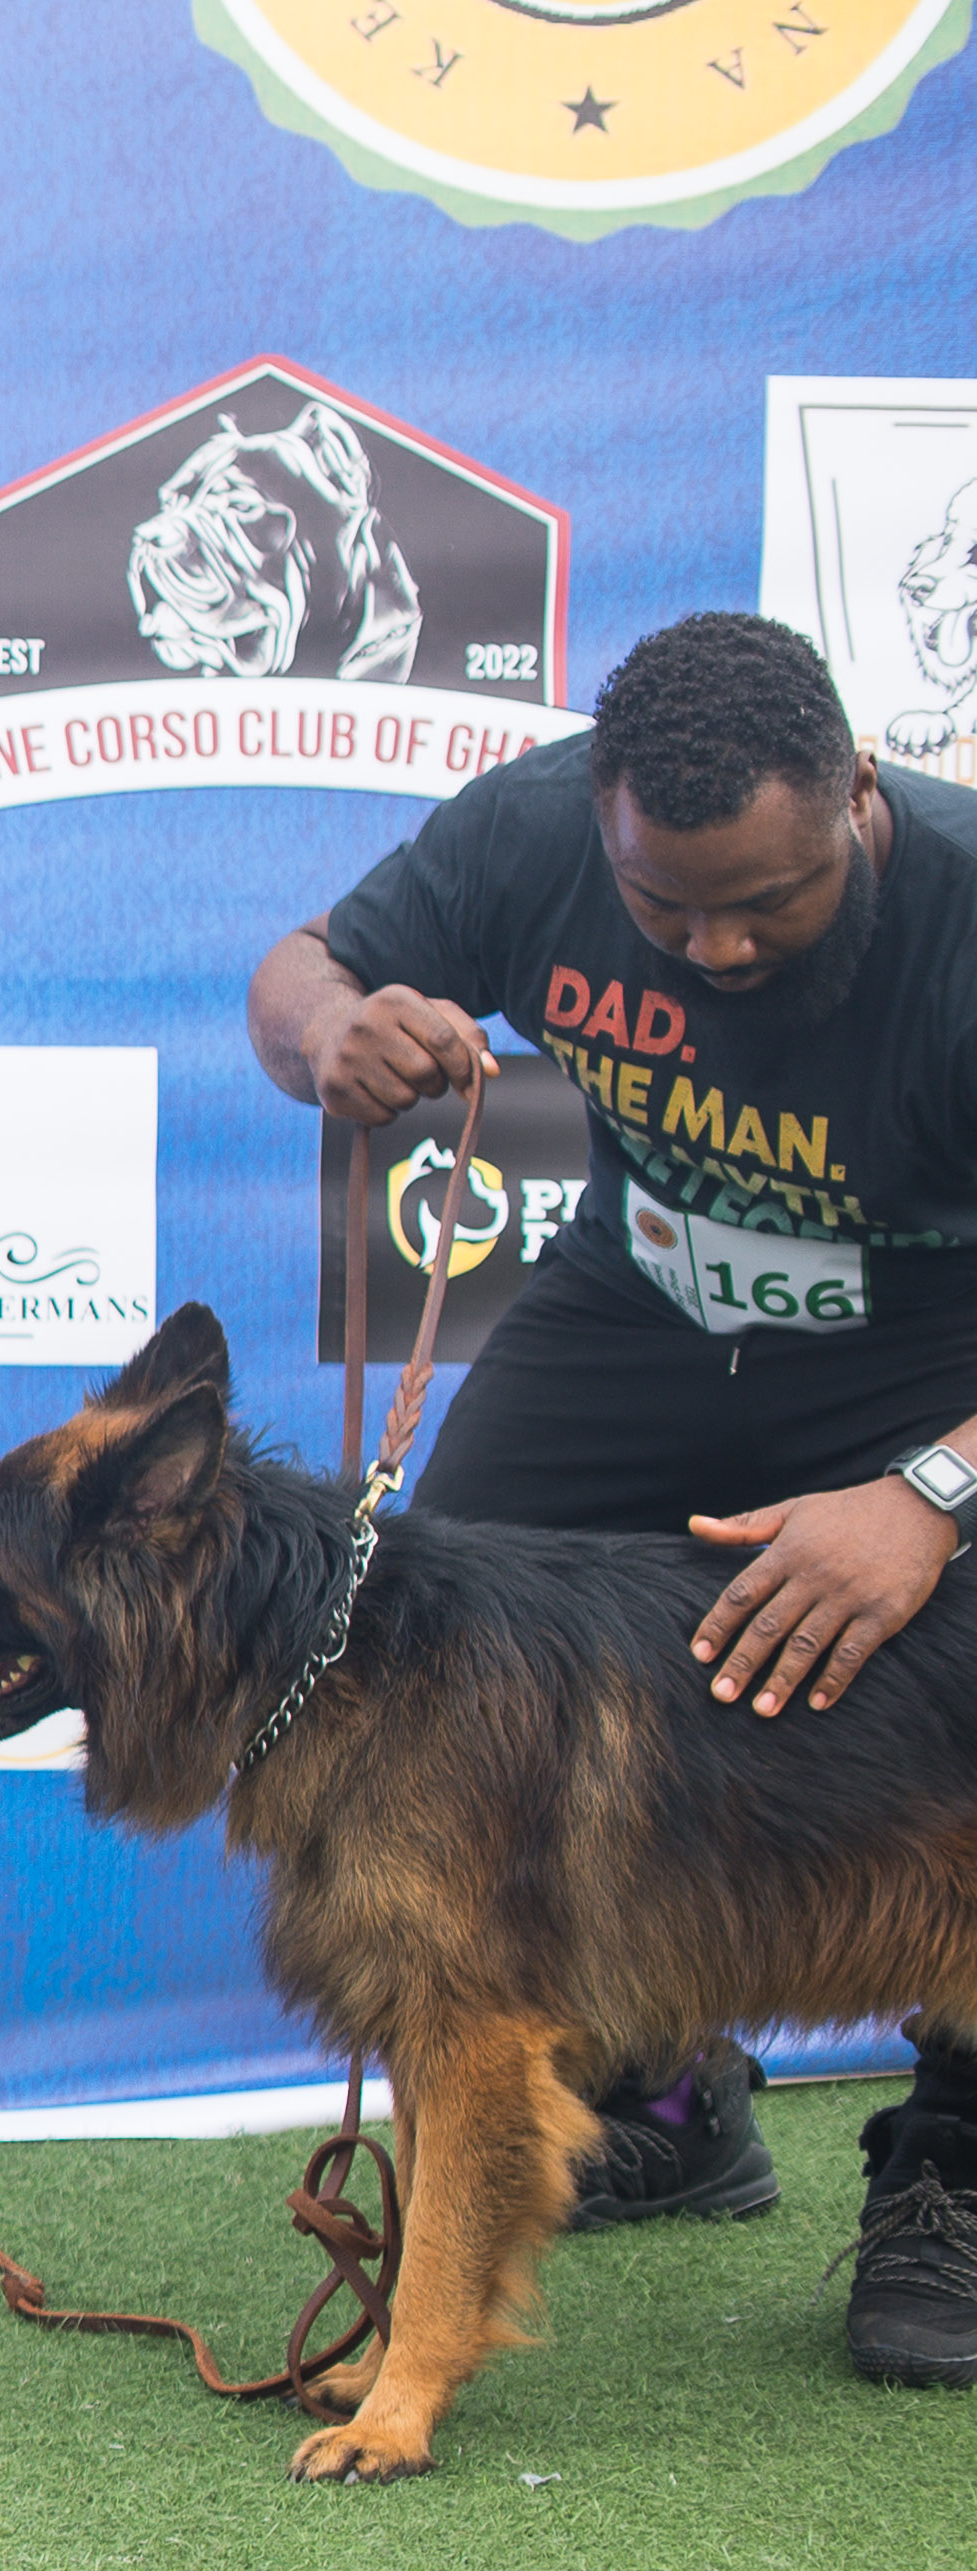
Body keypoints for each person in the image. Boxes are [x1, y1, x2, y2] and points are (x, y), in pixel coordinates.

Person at [249, 607, 977, 2384]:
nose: (717, 945)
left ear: (857, 796)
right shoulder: (535, 824)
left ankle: (953, 2166)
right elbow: (301, 968)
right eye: (668, 908)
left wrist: (932, 1493)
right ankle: (665, 2090)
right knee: (444, 1644)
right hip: (640, 1302)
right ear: (606, 825)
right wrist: (335, 1027)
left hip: (933, 1353)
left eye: (769, 901)